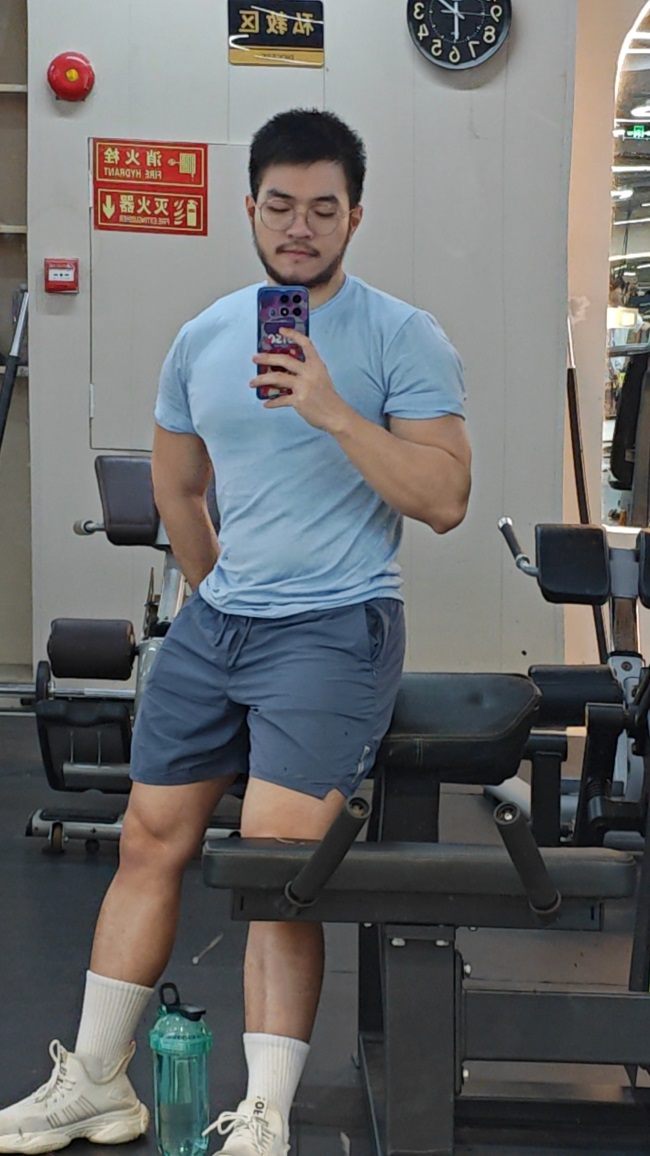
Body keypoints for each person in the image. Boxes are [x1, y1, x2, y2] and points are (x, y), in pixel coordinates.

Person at [0, 108, 471, 1156]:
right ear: (249, 207)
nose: (299, 227)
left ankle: (264, 1111)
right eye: (280, 205)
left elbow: (444, 497)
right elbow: (176, 485)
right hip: (222, 624)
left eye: (322, 209)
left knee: (273, 862)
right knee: (147, 838)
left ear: (354, 215)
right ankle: (98, 1082)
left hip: (336, 621)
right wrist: (216, 594)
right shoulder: (205, 336)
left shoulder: (401, 336)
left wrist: (334, 410)